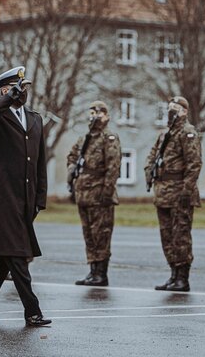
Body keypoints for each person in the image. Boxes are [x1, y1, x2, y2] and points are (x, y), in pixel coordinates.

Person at [0, 66, 51, 326]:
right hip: (2, 196)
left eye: (25, 88)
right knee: (18, 253)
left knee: (7, 253)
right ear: (6, 90)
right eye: (18, 88)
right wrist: (5, 99)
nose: (23, 92)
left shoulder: (35, 118)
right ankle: (32, 310)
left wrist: (40, 197)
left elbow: (40, 161)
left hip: (26, 197)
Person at [145, 96, 202, 292]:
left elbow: (194, 164)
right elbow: (152, 157)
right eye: (170, 107)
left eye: (176, 108)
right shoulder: (164, 134)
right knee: (167, 236)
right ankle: (173, 274)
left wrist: (186, 190)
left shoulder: (188, 133)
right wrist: (149, 174)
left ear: (185, 111)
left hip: (180, 193)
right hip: (163, 193)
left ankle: (182, 278)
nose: (172, 111)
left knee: (181, 236)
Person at [67, 101, 121, 286]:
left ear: (106, 116)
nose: (94, 117)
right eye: (91, 113)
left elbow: (113, 167)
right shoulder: (85, 138)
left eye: (98, 113)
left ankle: (101, 273)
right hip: (84, 194)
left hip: (100, 195)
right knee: (88, 234)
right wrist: (72, 171)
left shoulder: (109, 138)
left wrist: (106, 191)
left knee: (101, 234)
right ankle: (92, 271)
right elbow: (72, 156)